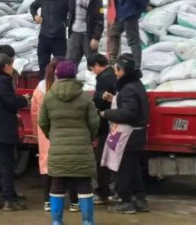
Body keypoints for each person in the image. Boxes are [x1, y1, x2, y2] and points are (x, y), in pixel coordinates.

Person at [39, 60, 99, 225]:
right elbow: (94, 123)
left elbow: (42, 121)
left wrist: (53, 136)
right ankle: (88, 222)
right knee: (84, 184)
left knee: (57, 184)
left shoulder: (49, 97)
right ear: (74, 76)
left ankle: (57, 221)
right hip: (81, 150)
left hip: (58, 150)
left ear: (57, 75)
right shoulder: (85, 97)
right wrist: (88, 137)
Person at [101, 53, 150, 214]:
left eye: (116, 69)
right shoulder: (136, 85)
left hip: (128, 135)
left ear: (122, 71)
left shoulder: (128, 88)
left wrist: (106, 113)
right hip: (136, 135)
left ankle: (125, 201)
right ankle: (140, 199)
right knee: (133, 168)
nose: (115, 73)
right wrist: (114, 99)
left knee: (121, 169)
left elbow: (128, 113)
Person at [0, 54, 30, 211]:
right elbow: (10, 101)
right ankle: (8, 199)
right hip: (3, 130)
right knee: (6, 165)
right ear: (7, 66)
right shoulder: (2, 80)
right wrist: (24, 100)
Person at [30, 58, 80, 213]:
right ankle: (74, 202)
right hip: (67, 131)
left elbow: (34, 112)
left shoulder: (41, 88)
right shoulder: (72, 88)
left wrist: (36, 132)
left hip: (45, 133)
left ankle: (48, 201)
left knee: (47, 165)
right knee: (70, 164)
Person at [87, 52, 117, 204]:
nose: (93, 72)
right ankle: (111, 190)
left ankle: (103, 191)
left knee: (102, 159)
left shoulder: (104, 78)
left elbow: (100, 103)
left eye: (92, 68)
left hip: (106, 125)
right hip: (114, 125)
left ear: (98, 65)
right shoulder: (112, 74)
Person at [30, 0, 71, 79]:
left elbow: (73, 13)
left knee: (61, 66)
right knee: (43, 65)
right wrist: (35, 16)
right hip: (44, 37)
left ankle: (60, 86)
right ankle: (43, 86)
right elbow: (33, 7)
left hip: (59, 38)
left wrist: (66, 23)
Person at [66, 0, 104, 66]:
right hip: (74, 34)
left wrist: (96, 37)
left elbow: (100, 20)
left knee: (92, 65)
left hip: (89, 36)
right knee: (70, 64)